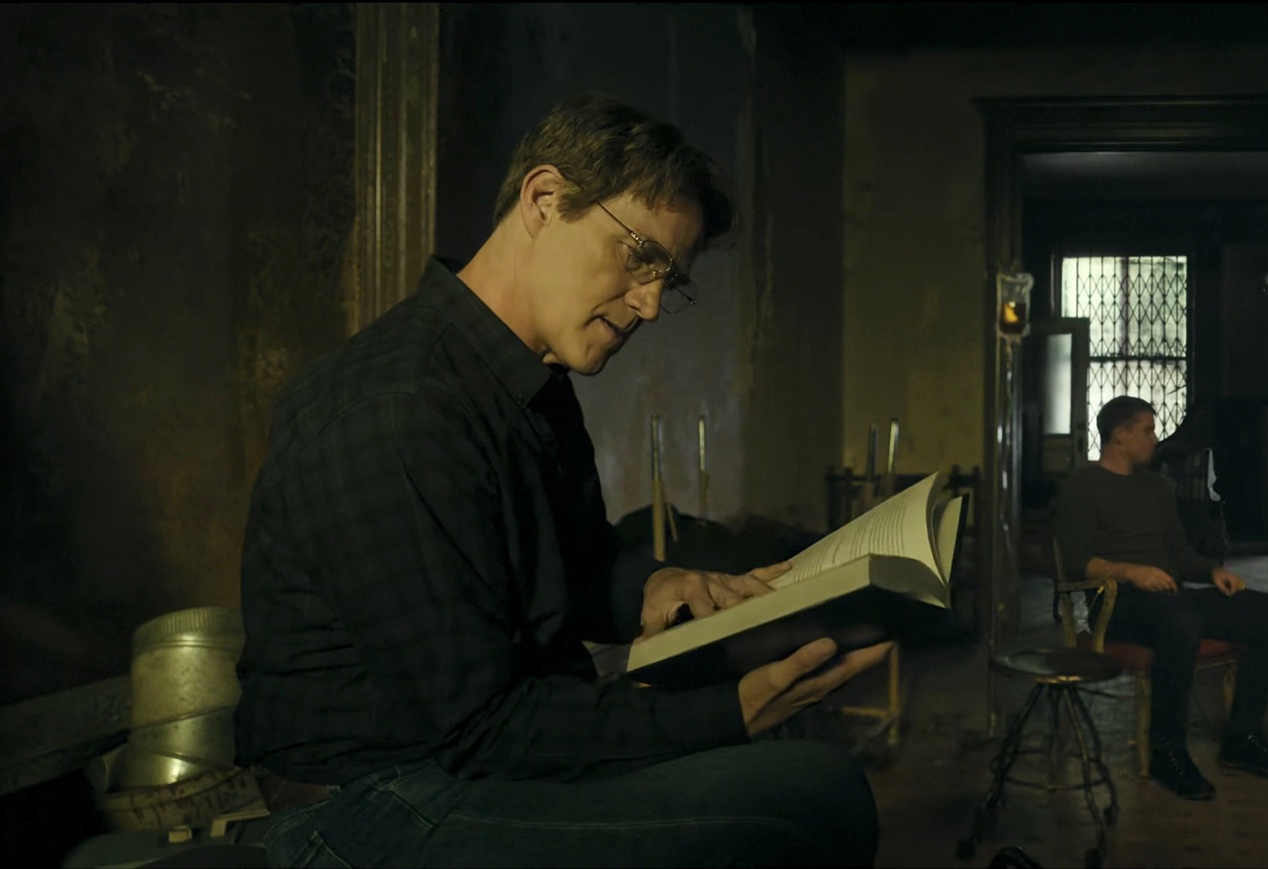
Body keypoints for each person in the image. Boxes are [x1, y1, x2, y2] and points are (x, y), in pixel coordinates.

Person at [234, 93, 890, 868]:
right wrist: (730, 712)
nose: (650, 304)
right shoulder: (396, 408)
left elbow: (571, 566)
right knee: (813, 796)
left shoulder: (531, 380)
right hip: (366, 804)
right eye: (639, 256)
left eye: (669, 280)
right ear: (544, 199)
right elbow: (480, 727)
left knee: (806, 777)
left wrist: (657, 583)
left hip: (460, 763)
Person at [1053, 395, 1268, 800]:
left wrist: (1213, 571)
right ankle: (1166, 751)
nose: (1155, 438)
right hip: (1117, 603)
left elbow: (1179, 552)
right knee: (1182, 621)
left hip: (1171, 597)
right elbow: (1078, 562)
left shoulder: (1157, 487)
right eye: (1147, 430)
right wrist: (1133, 572)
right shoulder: (1082, 485)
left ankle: (1243, 736)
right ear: (1120, 435)